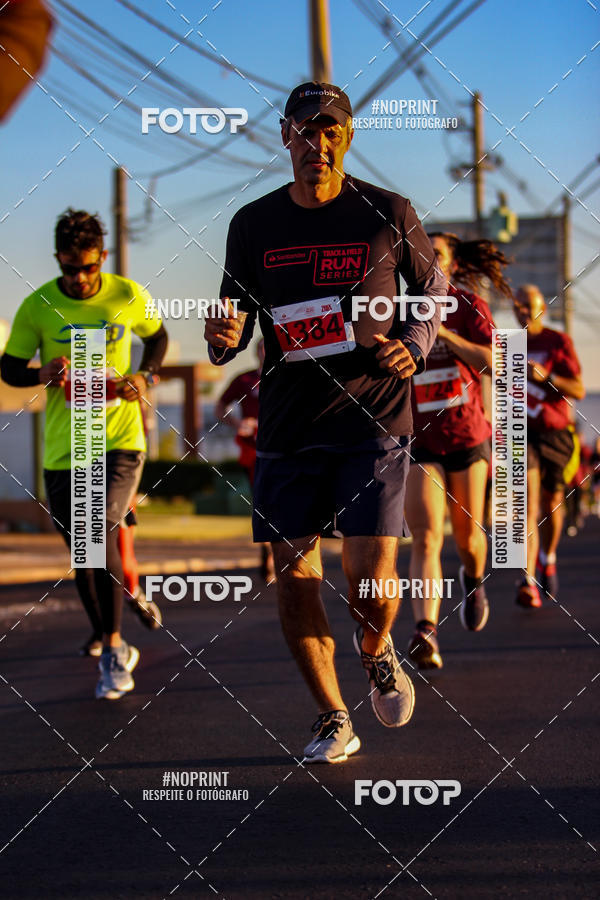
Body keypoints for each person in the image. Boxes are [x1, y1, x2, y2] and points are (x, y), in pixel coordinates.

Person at [204, 81, 445, 763]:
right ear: (285, 136)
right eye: (306, 130)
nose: (319, 142)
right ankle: (332, 715)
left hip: (373, 415)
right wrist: (220, 337)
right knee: (294, 574)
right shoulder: (253, 224)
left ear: (348, 136)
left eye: (332, 129)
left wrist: (418, 343)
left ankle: (376, 648)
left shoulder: (387, 211)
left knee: (369, 582)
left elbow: (433, 290)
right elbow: (233, 317)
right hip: (288, 419)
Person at [0, 209, 168, 697]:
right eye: (69, 268)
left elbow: (155, 339)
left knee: (102, 528)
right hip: (65, 446)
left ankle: (115, 649)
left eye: (88, 267)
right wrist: (40, 374)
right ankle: (107, 626)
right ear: (58, 259)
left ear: (103, 259)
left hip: (118, 437)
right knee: (84, 550)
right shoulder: (38, 306)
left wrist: (145, 377)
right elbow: (8, 368)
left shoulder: (126, 294)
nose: (78, 278)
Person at [405, 233, 511, 669]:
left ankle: (472, 580)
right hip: (419, 440)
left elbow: (498, 362)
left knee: (468, 539)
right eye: (424, 255)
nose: (430, 261)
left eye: (439, 255)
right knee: (427, 536)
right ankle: (425, 631)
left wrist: (446, 335)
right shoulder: (400, 307)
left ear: (452, 263)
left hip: (468, 436)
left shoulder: (469, 305)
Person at [512, 285, 585, 607]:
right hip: (521, 434)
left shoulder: (557, 342)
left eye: (528, 304)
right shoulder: (507, 344)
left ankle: (548, 555)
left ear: (542, 306)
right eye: (517, 305)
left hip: (555, 432)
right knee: (526, 503)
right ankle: (526, 579)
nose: (522, 310)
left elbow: (579, 389)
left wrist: (546, 377)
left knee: (551, 502)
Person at [215, 338, 274, 581]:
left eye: (267, 347)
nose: (264, 352)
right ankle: (267, 551)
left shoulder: (288, 376)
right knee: (262, 502)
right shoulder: (245, 380)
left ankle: (282, 550)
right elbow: (220, 406)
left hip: (285, 449)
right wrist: (237, 423)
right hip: (254, 452)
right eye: (261, 348)